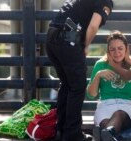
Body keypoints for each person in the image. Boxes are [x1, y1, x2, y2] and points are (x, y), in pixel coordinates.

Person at [45, 0, 113, 141]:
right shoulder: (105, 1)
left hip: (51, 35)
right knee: (77, 87)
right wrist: (86, 46)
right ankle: (72, 134)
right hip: (69, 37)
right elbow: (94, 25)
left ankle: (60, 130)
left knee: (66, 84)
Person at [86, 31, 131, 141]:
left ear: (127, 49)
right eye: (112, 49)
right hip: (105, 105)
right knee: (108, 125)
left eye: (120, 48)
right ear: (108, 51)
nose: (116, 52)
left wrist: (129, 61)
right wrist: (98, 76)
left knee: (119, 114)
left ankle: (104, 134)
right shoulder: (100, 64)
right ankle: (108, 134)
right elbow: (91, 95)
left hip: (126, 107)